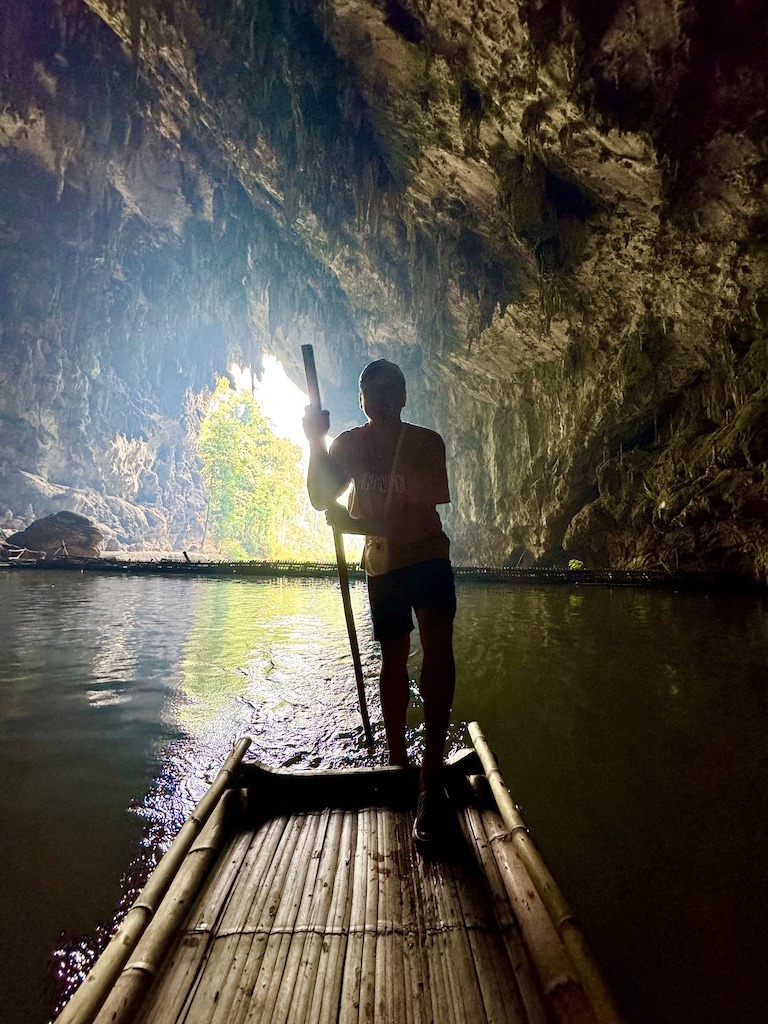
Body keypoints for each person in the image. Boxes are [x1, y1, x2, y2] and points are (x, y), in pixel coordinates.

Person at [303, 358, 456, 845]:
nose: (383, 397)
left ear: (404, 397)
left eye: (392, 389)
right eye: (373, 390)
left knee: (436, 650)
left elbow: (414, 517)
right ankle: (397, 761)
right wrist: (314, 440)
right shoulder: (348, 444)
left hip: (426, 557)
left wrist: (353, 527)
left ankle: (430, 771)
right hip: (383, 566)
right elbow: (318, 495)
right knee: (393, 657)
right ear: (362, 400)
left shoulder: (427, 443)